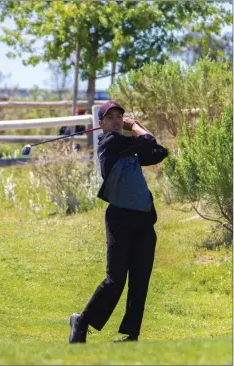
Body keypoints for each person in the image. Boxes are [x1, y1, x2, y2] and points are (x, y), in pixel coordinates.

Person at [69, 101, 168, 343]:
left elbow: (158, 151)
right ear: (100, 124)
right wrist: (134, 125)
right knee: (115, 280)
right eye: (110, 117)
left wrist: (138, 127)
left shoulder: (129, 149)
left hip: (144, 221)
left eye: (119, 116)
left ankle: (130, 335)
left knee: (140, 280)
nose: (115, 120)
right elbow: (146, 141)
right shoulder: (110, 142)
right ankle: (81, 321)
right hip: (120, 219)